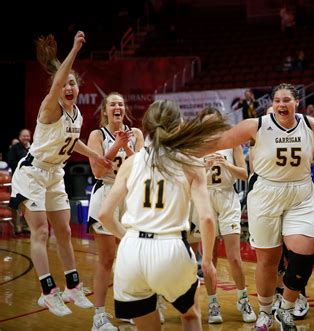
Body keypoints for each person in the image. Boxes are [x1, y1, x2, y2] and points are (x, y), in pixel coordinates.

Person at [202, 83, 314, 330]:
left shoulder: (312, 126)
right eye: (277, 100)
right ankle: (266, 310)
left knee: (303, 256)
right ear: (272, 104)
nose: (282, 104)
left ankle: (287, 308)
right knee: (268, 261)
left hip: (300, 193)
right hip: (266, 193)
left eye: (287, 100)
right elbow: (219, 141)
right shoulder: (256, 125)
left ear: (296, 103)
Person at [98, 99, 229, 331]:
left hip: (131, 253)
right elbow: (207, 218)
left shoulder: (131, 162)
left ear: (146, 126)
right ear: (178, 125)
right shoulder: (189, 162)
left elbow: (105, 214)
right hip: (170, 249)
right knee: (190, 316)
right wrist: (207, 262)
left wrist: (127, 237)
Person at [8, 31, 112, 317]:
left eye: (72, 84)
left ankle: (72, 286)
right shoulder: (50, 106)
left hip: (54, 174)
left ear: (78, 87)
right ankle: (47, 292)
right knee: (41, 231)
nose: (68, 87)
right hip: (33, 174)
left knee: (64, 231)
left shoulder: (76, 113)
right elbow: (57, 81)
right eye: (64, 84)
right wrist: (76, 49)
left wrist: (97, 155)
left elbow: (72, 141)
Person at [191, 107, 256, 325]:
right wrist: (205, 166)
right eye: (207, 124)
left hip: (228, 198)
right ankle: (212, 302)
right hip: (205, 199)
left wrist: (225, 164)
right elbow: (190, 177)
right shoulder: (197, 146)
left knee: (234, 257)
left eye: (214, 124)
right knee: (209, 259)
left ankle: (243, 299)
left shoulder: (232, 142)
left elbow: (245, 174)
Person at [86, 92, 144, 330]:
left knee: (130, 258)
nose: (117, 107)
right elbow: (98, 172)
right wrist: (116, 146)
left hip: (129, 196)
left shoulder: (137, 133)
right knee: (107, 259)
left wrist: (127, 147)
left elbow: (142, 167)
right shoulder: (97, 135)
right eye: (113, 104)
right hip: (107, 194)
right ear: (105, 110)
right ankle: (98, 316)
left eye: (121, 103)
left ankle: (127, 308)